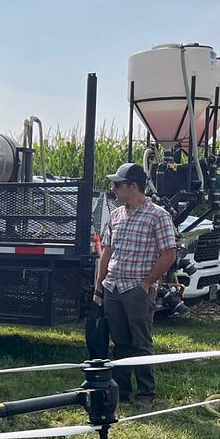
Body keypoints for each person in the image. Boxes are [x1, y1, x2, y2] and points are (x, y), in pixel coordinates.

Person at [92, 163, 177, 407]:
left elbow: (169, 253)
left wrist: (147, 283)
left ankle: (145, 393)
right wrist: (99, 286)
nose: (113, 189)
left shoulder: (158, 215)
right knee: (120, 343)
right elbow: (107, 252)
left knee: (141, 342)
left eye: (117, 185)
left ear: (132, 186)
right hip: (113, 287)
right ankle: (122, 391)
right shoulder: (116, 215)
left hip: (137, 289)